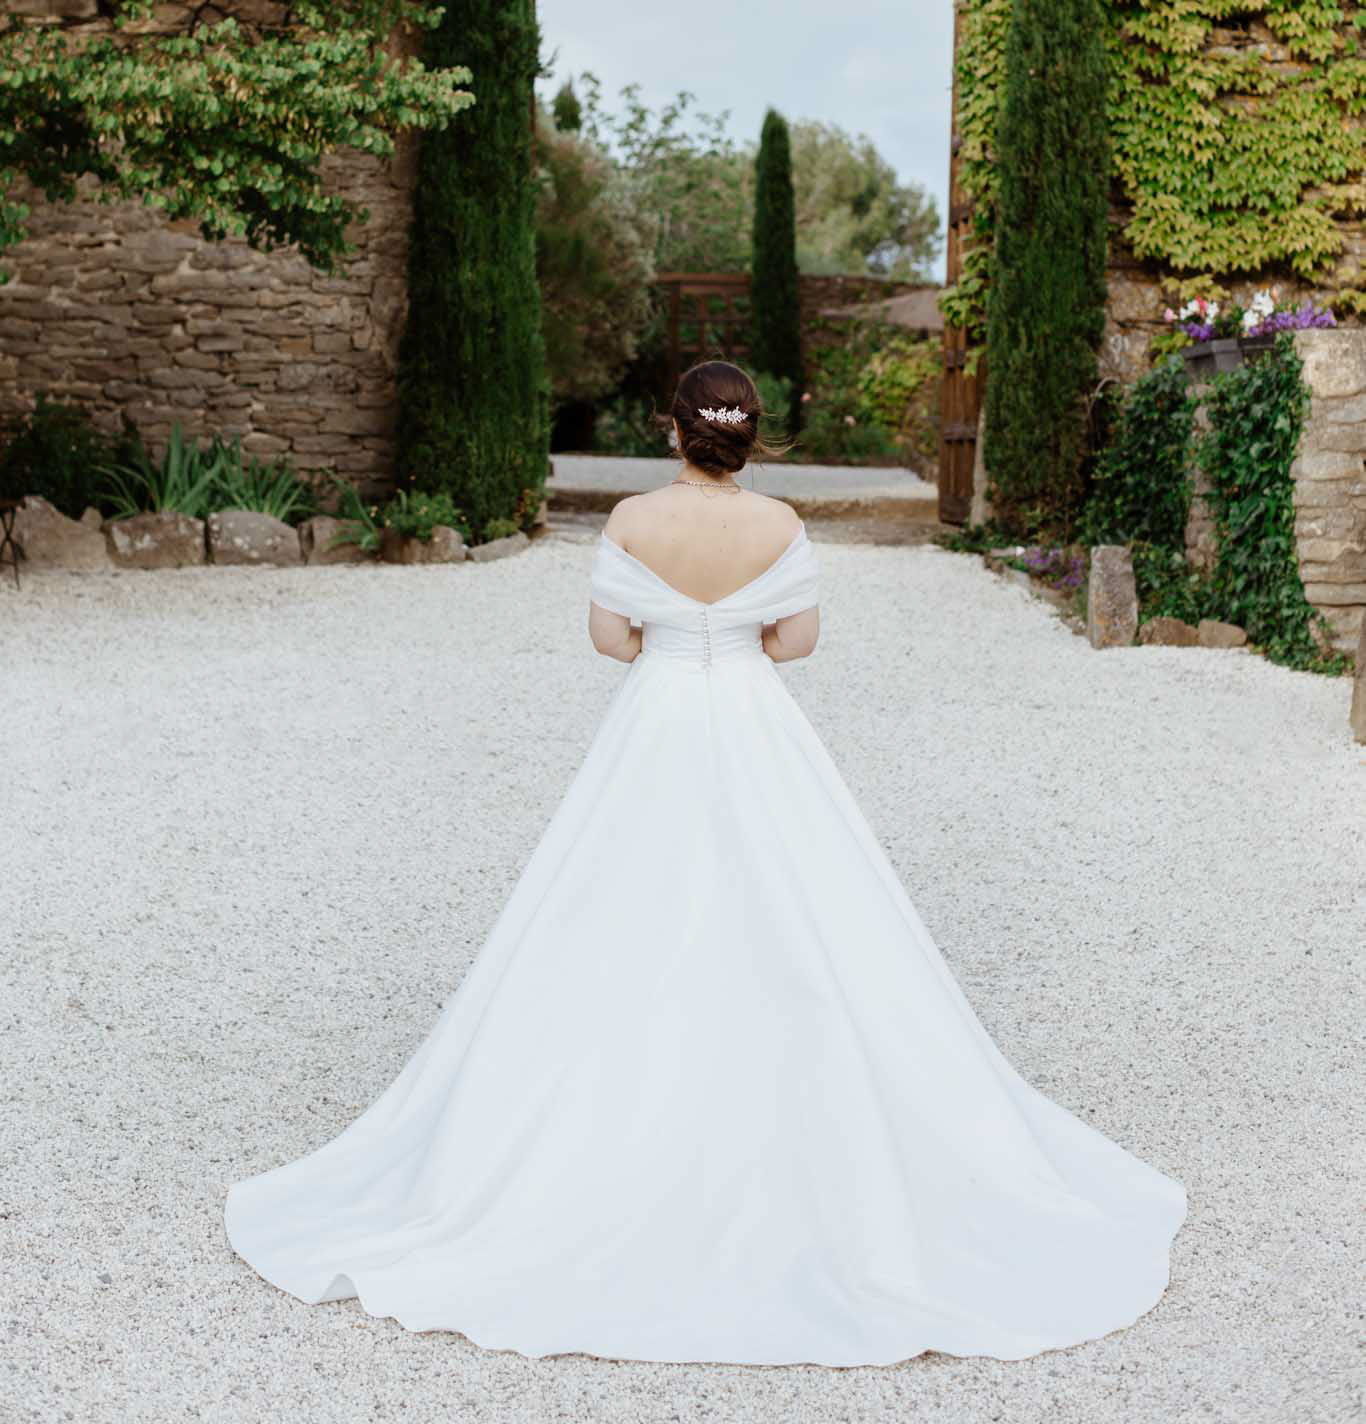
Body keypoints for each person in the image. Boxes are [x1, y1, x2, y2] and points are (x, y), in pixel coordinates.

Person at [224, 358, 1186, 1366]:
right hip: (753, 714)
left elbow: (610, 639)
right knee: (808, 904)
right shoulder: (779, 528)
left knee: (611, 908)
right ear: (748, 435)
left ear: (673, 429)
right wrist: (735, 637)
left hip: (658, 717)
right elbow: (796, 640)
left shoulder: (634, 520)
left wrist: (674, 636)